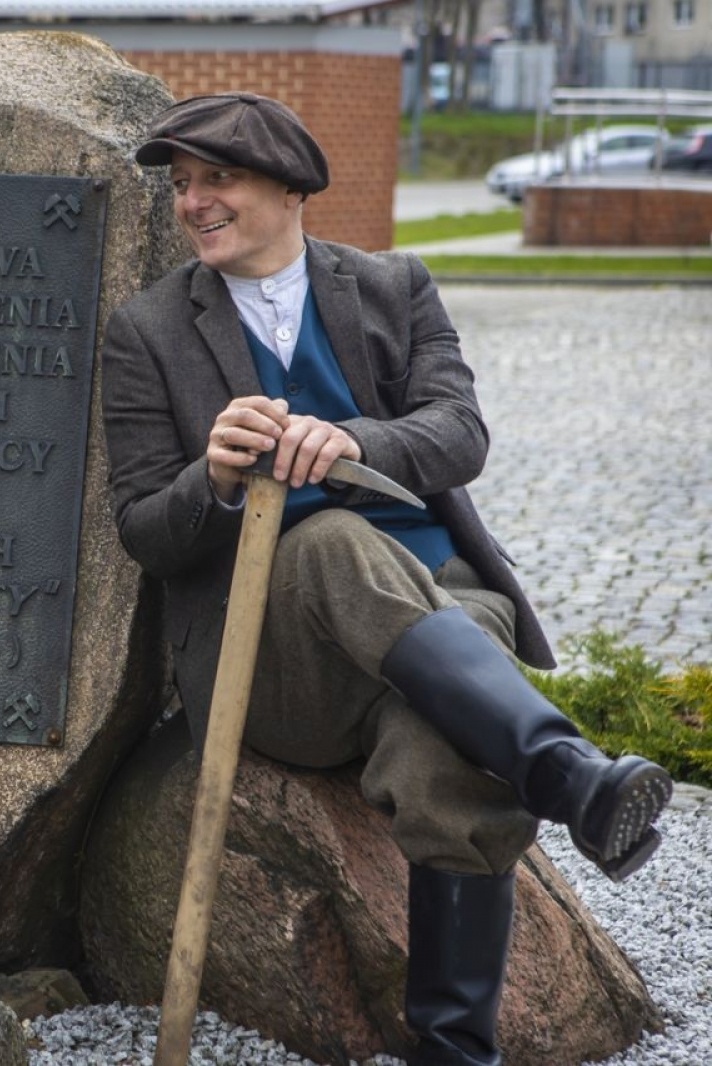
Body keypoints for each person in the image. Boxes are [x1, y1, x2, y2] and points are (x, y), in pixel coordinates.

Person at [99, 93, 672, 1066]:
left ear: (288, 187)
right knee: (326, 545)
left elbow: (461, 434)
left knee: (440, 749)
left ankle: (453, 1048)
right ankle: (564, 769)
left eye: (215, 179)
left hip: (442, 608)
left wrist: (355, 440)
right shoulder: (147, 329)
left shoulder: (393, 287)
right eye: (183, 184)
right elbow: (144, 532)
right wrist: (217, 475)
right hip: (272, 659)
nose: (191, 201)